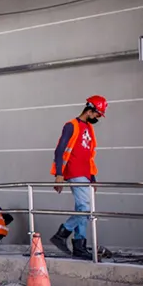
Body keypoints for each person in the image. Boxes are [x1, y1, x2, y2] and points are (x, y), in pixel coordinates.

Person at [50, 95, 107, 259]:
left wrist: (93, 178)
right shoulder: (71, 126)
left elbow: (89, 156)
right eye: (97, 114)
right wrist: (59, 174)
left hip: (85, 175)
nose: (98, 117)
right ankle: (62, 234)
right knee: (86, 209)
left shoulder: (89, 128)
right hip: (75, 173)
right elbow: (59, 150)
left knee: (82, 209)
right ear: (90, 111)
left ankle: (79, 246)